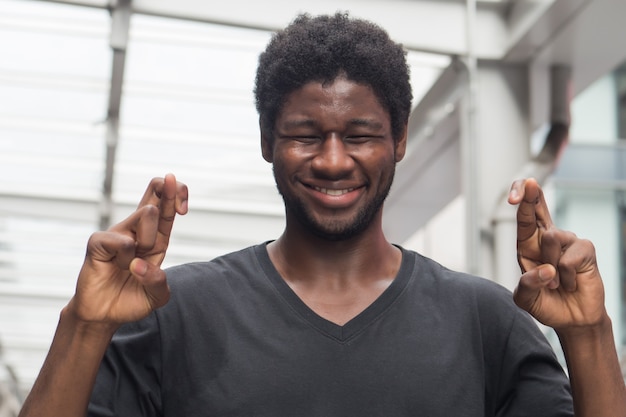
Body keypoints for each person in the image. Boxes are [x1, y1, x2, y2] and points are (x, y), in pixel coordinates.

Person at [18, 13, 626, 417]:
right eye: (306, 134)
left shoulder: (483, 321)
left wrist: (588, 332)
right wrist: (84, 325)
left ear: (400, 140)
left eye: (360, 134)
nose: (334, 161)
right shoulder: (176, 312)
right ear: (267, 140)